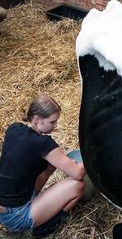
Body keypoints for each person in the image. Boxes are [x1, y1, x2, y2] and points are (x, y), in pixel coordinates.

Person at [0, 94, 85, 237]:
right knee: (78, 186)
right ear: (36, 120)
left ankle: (37, 205)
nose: (55, 126)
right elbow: (78, 173)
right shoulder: (43, 144)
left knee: (50, 164)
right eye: (52, 122)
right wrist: (93, 156)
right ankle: (45, 227)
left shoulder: (14, 128)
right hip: (17, 216)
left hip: (5, 207)